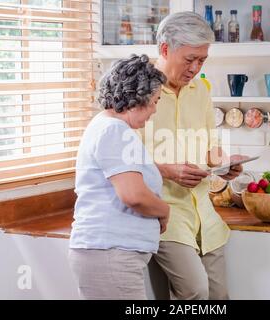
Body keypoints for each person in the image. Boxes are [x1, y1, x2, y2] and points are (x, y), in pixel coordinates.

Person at [140, 12, 244, 300]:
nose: (196, 68)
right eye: (189, 59)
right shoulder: (139, 91)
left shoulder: (201, 90)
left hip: (204, 215)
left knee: (218, 297)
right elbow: (123, 159)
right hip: (164, 214)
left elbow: (210, 146)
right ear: (164, 49)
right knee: (195, 292)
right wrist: (168, 171)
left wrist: (224, 164)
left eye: (202, 60)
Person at [68, 54, 169, 300]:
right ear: (137, 99)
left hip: (109, 252)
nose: (155, 110)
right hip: (109, 253)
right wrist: (165, 210)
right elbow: (134, 196)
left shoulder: (108, 126)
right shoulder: (114, 130)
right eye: (154, 101)